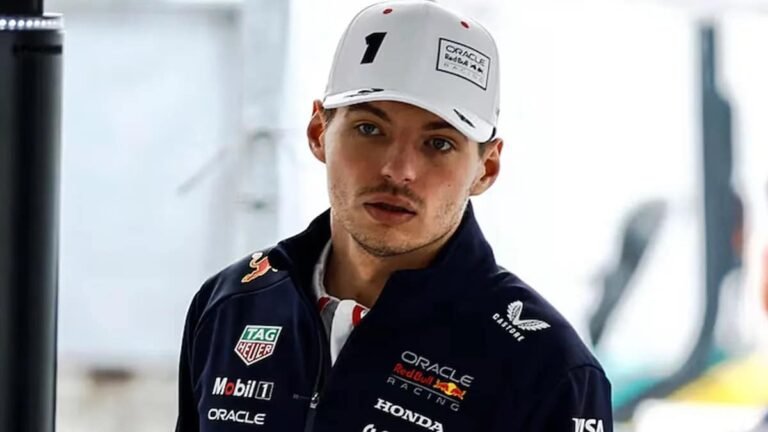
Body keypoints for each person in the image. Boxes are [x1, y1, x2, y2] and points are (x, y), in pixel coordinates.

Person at [175, 1, 613, 431]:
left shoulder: (546, 368)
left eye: (439, 143)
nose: (398, 170)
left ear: (487, 168)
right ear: (319, 132)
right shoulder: (232, 303)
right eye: (370, 129)